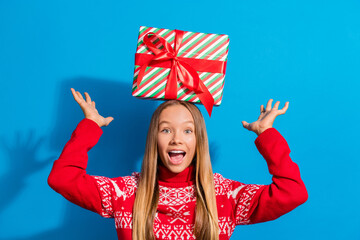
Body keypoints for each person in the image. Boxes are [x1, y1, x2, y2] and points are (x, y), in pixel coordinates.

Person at [48, 88, 308, 240]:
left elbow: (292, 193)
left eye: (187, 131)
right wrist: (90, 127)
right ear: (154, 138)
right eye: (165, 130)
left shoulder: (225, 195)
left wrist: (267, 134)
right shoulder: (125, 192)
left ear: (198, 140)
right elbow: (62, 178)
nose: (176, 139)